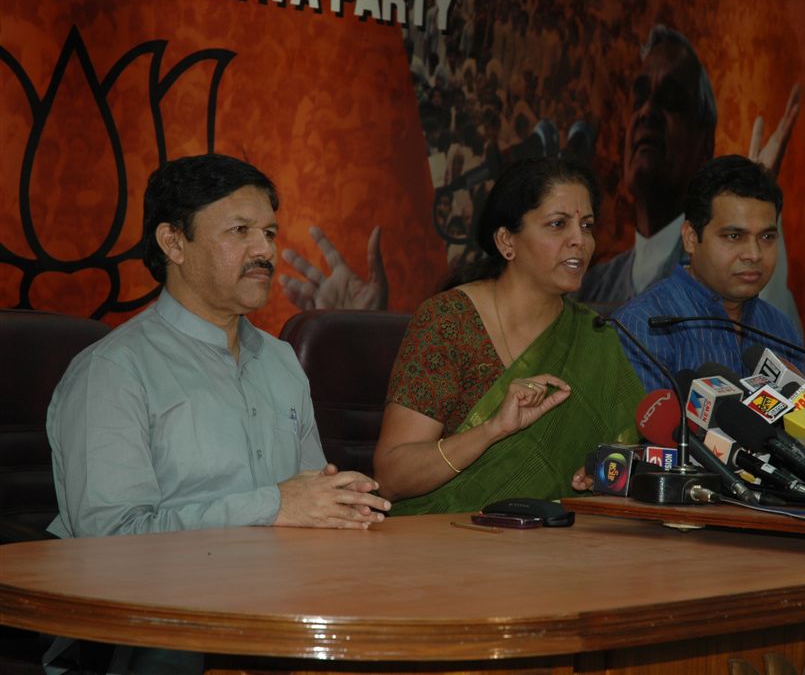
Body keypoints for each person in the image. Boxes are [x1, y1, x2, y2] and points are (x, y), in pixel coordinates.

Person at [44, 154, 391, 672]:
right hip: (153, 625)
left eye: (270, 233)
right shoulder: (113, 371)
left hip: (278, 612)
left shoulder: (280, 362)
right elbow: (106, 544)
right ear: (173, 242)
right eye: (240, 230)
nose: (265, 251)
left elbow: (312, 503)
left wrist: (341, 506)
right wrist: (272, 506)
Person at [374, 156, 643, 514]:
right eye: (558, 224)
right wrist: (492, 430)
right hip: (442, 545)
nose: (580, 240)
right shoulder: (449, 322)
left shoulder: (595, 335)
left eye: (587, 226)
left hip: (559, 546)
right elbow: (392, 476)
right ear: (506, 241)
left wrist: (602, 475)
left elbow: (632, 453)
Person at [577, 25, 802, 332]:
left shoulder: (719, 270)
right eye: (641, 96)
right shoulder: (592, 286)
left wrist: (756, 197)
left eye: (670, 99)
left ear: (704, 143)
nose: (647, 112)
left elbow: (773, 353)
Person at [612, 155, 805, 391]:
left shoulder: (780, 328)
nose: (754, 254)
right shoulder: (643, 325)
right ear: (691, 238)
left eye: (766, 237)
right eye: (734, 236)